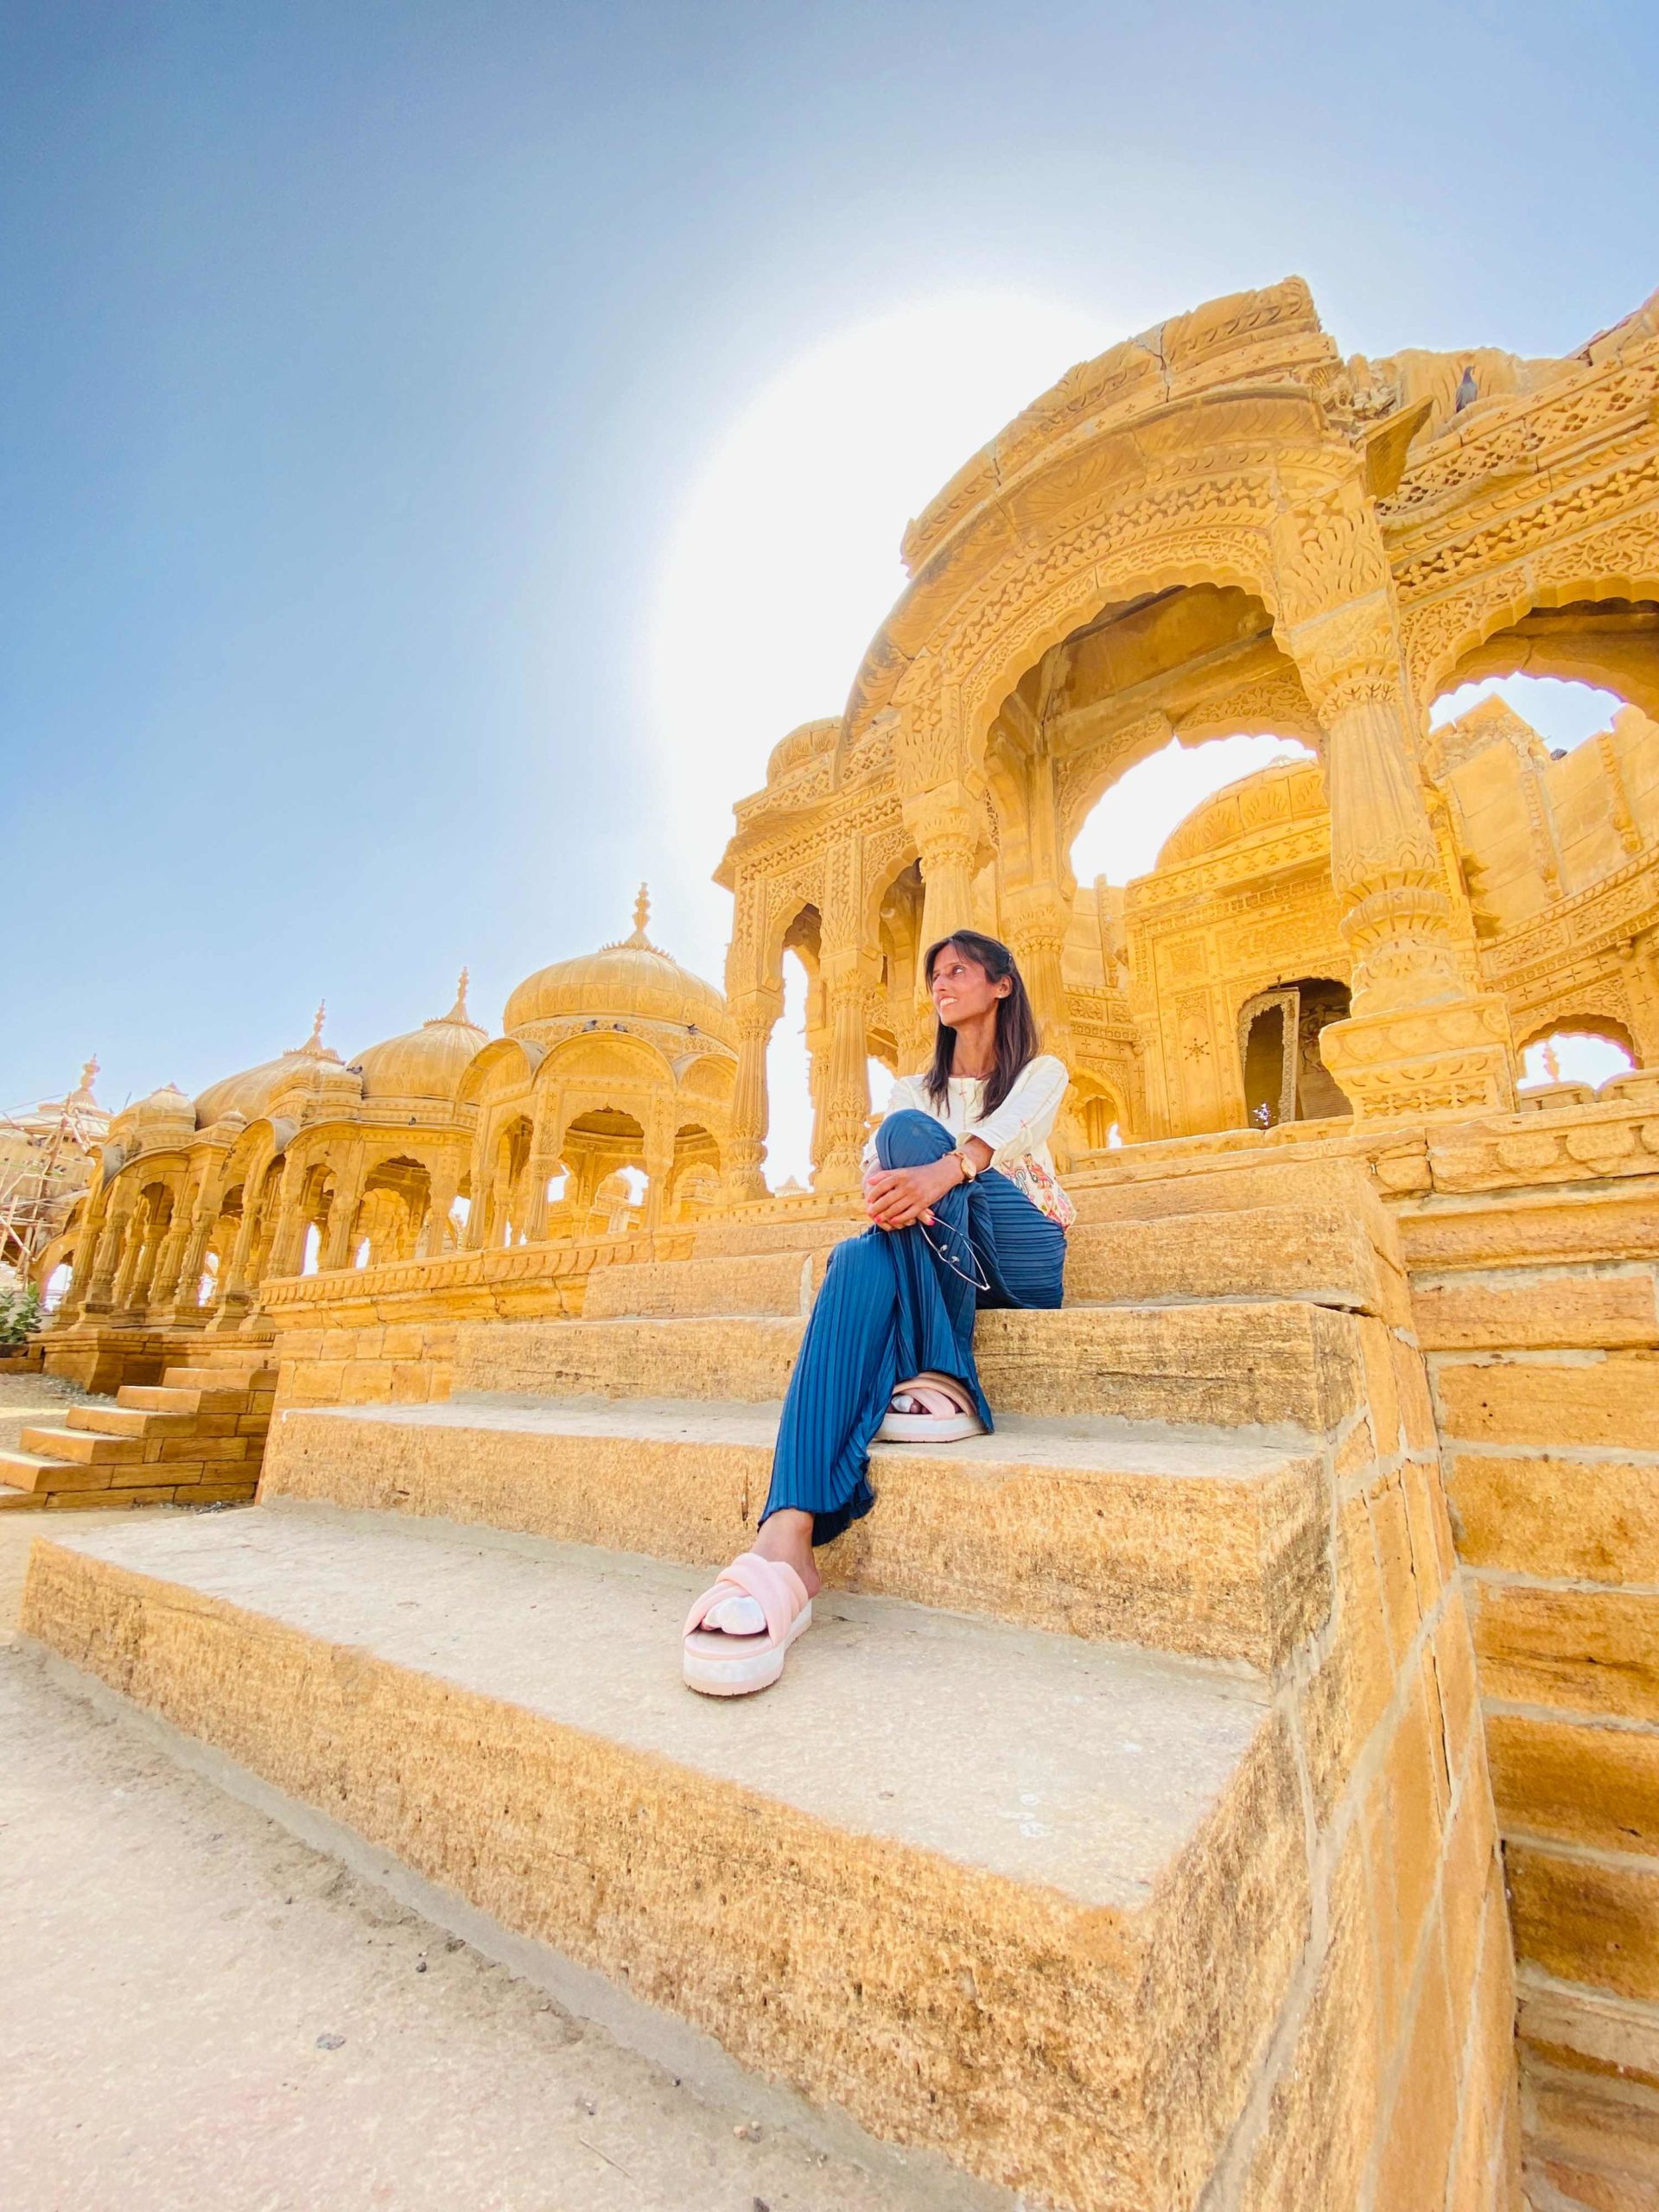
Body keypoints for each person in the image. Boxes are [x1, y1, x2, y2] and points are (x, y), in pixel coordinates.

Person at [683, 930, 1072, 1694]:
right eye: (935, 975)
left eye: (958, 970)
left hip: (1021, 1247)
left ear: (1000, 984)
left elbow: (1009, 1135)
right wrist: (904, 1189)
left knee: (909, 1143)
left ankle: (942, 1370)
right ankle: (783, 1540)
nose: (941, 983)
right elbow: (879, 1176)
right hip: (933, 1249)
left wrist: (943, 1168)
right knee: (860, 1254)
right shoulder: (910, 1087)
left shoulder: (1038, 1071)